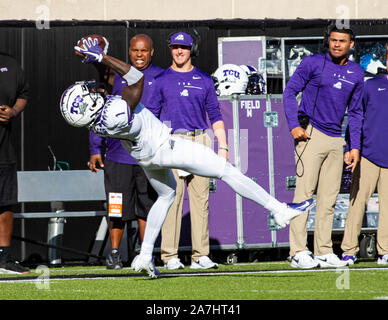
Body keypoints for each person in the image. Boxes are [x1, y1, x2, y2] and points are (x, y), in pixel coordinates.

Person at [66, 37, 314, 278]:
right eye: (87, 94)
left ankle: (144, 254)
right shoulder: (115, 113)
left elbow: (104, 87)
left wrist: (99, 63)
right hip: (165, 146)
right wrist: (104, 57)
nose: (91, 91)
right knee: (225, 170)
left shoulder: (97, 120)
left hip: (145, 157)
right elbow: (135, 78)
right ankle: (278, 209)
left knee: (166, 196)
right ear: (89, 106)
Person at [283, 25, 364, 269]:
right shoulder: (312, 63)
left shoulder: (357, 73)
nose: (337, 44)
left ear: (351, 45)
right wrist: (294, 126)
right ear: (327, 41)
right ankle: (297, 252)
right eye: (333, 40)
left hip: (336, 138)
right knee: (304, 196)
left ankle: (323, 251)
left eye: (342, 41)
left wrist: (354, 146)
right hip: (310, 135)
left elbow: (357, 113)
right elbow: (289, 92)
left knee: (328, 199)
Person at [146, 31, 227, 270]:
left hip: (200, 140)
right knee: (172, 199)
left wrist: (223, 146)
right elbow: (150, 116)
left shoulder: (204, 79)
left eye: (183, 47)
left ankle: (200, 256)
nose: (179, 51)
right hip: (171, 140)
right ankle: (169, 256)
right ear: (169, 49)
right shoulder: (160, 79)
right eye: (174, 47)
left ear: (192, 49)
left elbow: (215, 115)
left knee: (201, 200)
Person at [88, 34, 163, 269]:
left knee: (146, 207)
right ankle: (114, 254)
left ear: (152, 52)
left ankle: (144, 253)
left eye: (143, 50)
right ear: (129, 51)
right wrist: (94, 148)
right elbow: (98, 111)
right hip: (117, 154)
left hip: (148, 155)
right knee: (116, 206)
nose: (139, 54)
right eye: (134, 50)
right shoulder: (116, 73)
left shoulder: (162, 76)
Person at [340, 43, 388, 266]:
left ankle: (384, 251)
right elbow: (355, 119)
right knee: (357, 203)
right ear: (387, 60)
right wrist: (352, 147)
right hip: (367, 155)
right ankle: (348, 251)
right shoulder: (370, 86)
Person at [0, 52, 29, 274]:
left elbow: (23, 94)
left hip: (4, 151)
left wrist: (14, 111)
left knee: (5, 203)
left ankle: (3, 258)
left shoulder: (10, 64)